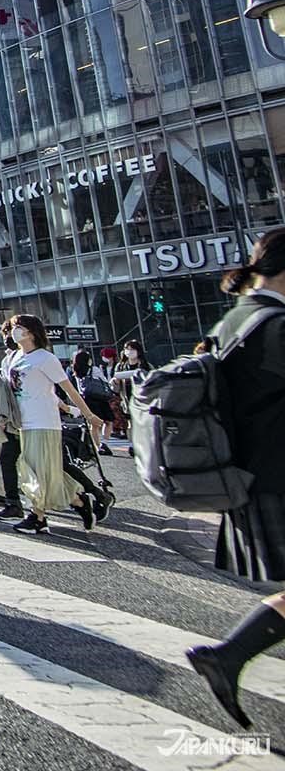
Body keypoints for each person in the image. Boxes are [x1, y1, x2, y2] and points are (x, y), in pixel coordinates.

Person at [185, 229, 285, 729]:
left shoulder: (234, 320)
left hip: (251, 476)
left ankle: (229, 656)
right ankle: (228, 655)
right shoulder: (275, 322)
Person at [0, 315, 105, 535]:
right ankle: (78, 500)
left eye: (18, 327)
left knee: (39, 472)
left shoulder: (45, 358)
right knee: (41, 471)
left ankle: (37, 517)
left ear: (30, 332)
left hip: (44, 421)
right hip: (23, 422)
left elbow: (68, 389)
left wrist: (87, 414)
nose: (14, 331)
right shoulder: (16, 356)